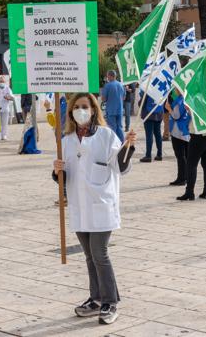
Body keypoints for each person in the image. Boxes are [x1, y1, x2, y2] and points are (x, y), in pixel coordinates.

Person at [52, 93, 136, 325]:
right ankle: (96, 298)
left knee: (100, 253)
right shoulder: (66, 140)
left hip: (102, 205)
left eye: (85, 106)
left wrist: (129, 146)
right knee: (89, 256)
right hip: (79, 207)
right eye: (76, 107)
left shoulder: (107, 136)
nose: (81, 110)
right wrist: (57, 170)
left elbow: (120, 166)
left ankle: (110, 302)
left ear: (94, 109)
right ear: (70, 112)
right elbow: (63, 176)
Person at [177, 92, 206, 201]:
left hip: (200, 134)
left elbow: (196, 115)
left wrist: (188, 108)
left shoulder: (199, 98)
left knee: (191, 163)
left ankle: (189, 192)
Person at [167, 89, 190, 186]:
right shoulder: (188, 98)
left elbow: (176, 116)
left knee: (180, 156)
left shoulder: (179, 100)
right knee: (186, 156)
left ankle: (181, 178)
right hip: (186, 130)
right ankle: (187, 177)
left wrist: (168, 108)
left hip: (178, 131)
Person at [101, 70, 125, 141]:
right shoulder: (121, 85)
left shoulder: (107, 85)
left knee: (112, 128)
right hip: (119, 110)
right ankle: (122, 142)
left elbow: (103, 99)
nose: (107, 77)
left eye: (107, 76)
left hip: (111, 110)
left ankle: (114, 144)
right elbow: (124, 97)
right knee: (119, 127)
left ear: (110, 76)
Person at [139, 92, 163, 162]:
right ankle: (159, 154)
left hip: (148, 115)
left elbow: (141, 103)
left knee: (149, 135)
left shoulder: (148, 89)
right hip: (158, 114)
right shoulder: (161, 90)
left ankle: (148, 155)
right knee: (158, 135)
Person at [0, 76, 14, 141]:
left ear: (5, 82)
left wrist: (9, 98)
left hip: (5, 108)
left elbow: (12, 97)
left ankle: (4, 135)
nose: (1, 83)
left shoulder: (8, 88)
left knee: (5, 123)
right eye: (0, 81)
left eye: (2, 81)